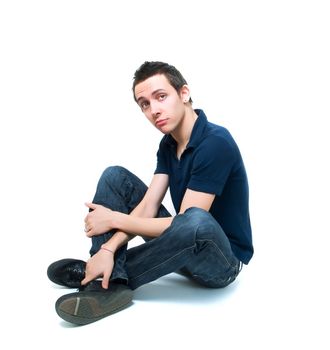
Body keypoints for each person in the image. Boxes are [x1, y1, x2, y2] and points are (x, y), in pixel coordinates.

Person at [47, 61, 253, 325]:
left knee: (195, 221)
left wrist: (113, 219)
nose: (154, 110)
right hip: (180, 246)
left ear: (184, 93)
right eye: (144, 104)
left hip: (221, 262)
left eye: (161, 97)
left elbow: (188, 223)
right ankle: (104, 272)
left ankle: (101, 278)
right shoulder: (169, 144)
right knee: (114, 176)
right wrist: (109, 248)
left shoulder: (216, 143)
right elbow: (149, 204)